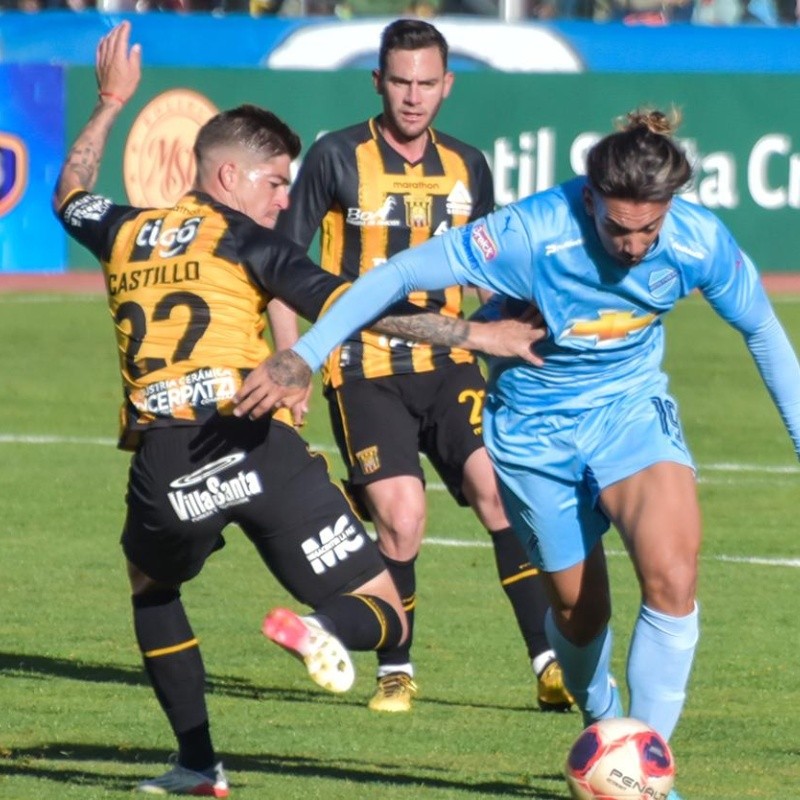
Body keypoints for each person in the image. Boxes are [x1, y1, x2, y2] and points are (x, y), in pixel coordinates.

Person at [235, 107, 800, 800]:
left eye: (648, 229)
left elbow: (766, 334)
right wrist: (305, 354)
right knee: (578, 615)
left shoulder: (697, 241)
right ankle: (603, 723)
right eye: (618, 229)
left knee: (673, 578)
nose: (633, 246)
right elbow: (396, 274)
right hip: (533, 437)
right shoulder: (531, 232)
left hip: (630, 418)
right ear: (590, 200)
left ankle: (642, 776)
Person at [53, 22, 546, 797]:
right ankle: (327, 630)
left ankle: (196, 764)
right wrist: (477, 331)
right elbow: (367, 306)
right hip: (256, 444)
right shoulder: (248, 242)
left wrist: (111, 102)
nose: (286, 198)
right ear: (225, 174)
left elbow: (71, 192)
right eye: (274, 182)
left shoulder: (122, 231)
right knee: (386, 607)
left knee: (152, 590)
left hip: (166, 463)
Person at [275, 17, 573, 714]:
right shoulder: (335, 157)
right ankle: (395, 667)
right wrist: (292, 363)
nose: (412, 97)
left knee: (500, 495)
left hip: (450, 362)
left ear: (447, 86)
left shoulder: (469, 164)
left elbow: (490, 276)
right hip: (365, 365)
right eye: (400, 82)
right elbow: (287, 270)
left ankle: (550, 661)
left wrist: (517, 342)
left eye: (426, 84)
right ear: (378, 82)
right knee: (403, 517)